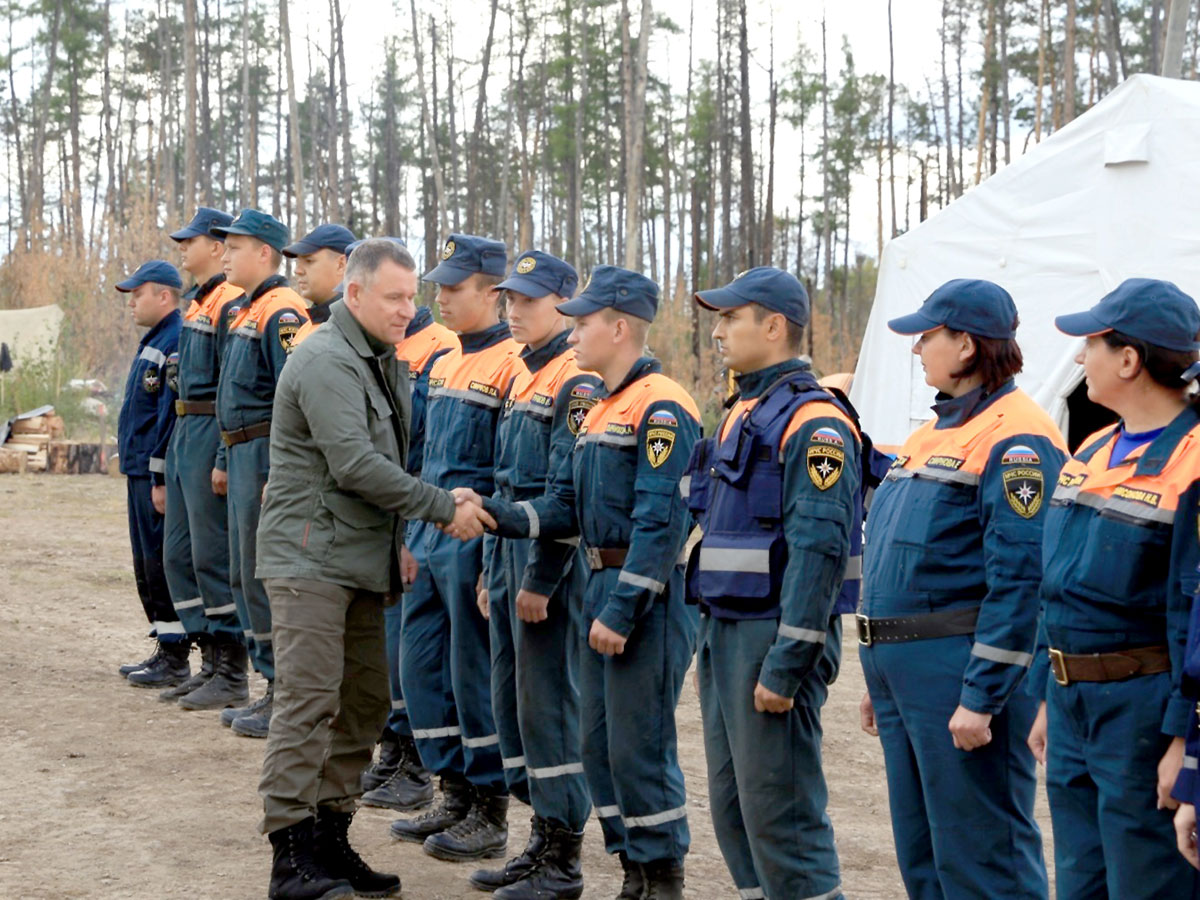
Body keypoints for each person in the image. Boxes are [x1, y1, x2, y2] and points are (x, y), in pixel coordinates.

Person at [253, 237, 495, 900]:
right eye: (393, 297)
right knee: (306, 704)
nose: (406, 310)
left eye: (410, 297)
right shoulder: (327, 359)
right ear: (354, 294)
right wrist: (444, 508)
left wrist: (412, 529)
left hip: (359, 558)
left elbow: (397, 460)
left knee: (362, 705)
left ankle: (330, 842)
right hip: (310, 559)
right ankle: (292, 858)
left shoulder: (381, 360)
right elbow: (356, 465)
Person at [475, 265, 701, 900]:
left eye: (583, 322)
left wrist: (623, 609)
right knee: (600, 747)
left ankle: (662, 880)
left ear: (619, 326)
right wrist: (495, 515)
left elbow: (662, 525)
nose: (573, 335)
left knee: (640, 750)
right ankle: (633, 872)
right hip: (604, 587)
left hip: (645, 599)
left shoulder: (662, 406)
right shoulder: (604, 405)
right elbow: (565, 510)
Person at [858, 279, 1065, 899]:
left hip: (957, 672)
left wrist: (983, 695)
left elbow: (1021, 582)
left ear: (967, 346)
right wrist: (879, 678)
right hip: (905, 674)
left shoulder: (1018, 439)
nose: (918, 349)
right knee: (924, 854)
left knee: (982, 857)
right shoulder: (931, 433)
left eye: (928, 336)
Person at [684, 267, 859, 900]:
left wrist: (787, 664)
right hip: (726, 630)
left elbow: (820, 554)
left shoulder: (814, 424)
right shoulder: (745, 409)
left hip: (770, 638)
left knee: (782, 821)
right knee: (737, 814)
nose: (720, 332)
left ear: (774, 326)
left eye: (732, 319)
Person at [1026, 279, 1200, 899]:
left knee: (1147, 884)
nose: (1078, 358)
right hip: (1072, 709)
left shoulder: (1192, 462)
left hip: (1143, 715)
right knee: (1080, 883)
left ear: (1129, 360)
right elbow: (1058, 585)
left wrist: (1187, 744)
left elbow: (1195, 621)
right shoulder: (1094, 447)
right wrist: (1047, 694)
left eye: (1091, 344)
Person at [465, 250, 600, 900]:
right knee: (514, 708)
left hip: (550, 570)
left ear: (563, 305)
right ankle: (539, 839)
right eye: (509, 299)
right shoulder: (525, 374)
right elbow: (503, 482)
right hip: (509, 562)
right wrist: (493, 570)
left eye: (527, 300)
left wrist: (539, 581)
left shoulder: (577, 383)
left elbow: (567, 501)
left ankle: (563, 859)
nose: (512, 309)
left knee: (551, 711)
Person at [390, 233, 523, 861]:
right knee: (421, 672)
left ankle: (488, 807)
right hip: (427, 536)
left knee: (474, 680)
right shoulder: (441, 362)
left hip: (473, 544)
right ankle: (450, 789)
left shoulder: (512, 366)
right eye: (438, 286)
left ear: (492, 293)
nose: (440, 297)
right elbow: (417, 458)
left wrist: (492, 565)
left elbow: (509, 472)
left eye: (455, 287)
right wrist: (405, 531)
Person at [359, 237, 459, 814]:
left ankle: (418, 766)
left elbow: (422, 441)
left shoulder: (439, 350)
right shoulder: (386, 345)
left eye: (452, 286)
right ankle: (396, 751)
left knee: (420, 651)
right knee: (393, 644)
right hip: (395, 502)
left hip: (420, 504)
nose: (439, 297)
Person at [210, 209, 309, 738]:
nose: (224, 253)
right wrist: (226, 459)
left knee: (267, 573)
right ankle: (267, 682)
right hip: (242, 452)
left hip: (267, 452)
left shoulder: (284, 312)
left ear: (264, 253)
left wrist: (282, 469)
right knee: (243, 572)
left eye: (235, 246)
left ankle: (283, 691)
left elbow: (293, 398)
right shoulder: (247, 309)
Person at [157, 207, 251, 710]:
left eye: (191, 240)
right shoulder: (200, 302)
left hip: (209, 423)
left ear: (217, 247)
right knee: (180, 552)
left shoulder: (231, 302)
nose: (183, 248)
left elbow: (231, 384)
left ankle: (230, 667)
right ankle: (207, 655)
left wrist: (218, 451)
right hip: (183, 425)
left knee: (212, 553)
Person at [114, 260, 189, 687]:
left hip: (151, 472)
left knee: (160, 561)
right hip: (138, 469)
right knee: (145, 562)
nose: (131, 303)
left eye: (137, 293)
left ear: (163, 296)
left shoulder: (174, 339)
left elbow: (168, 416)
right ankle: (165, 644)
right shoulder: (155, 339)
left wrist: (159, 476)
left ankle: (176, 656)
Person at [282, 223, 355, 344]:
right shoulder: (307, 326)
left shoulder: (354, 329)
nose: (297, 270)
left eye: (309, 261)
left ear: (341, 265)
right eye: (298, 262)